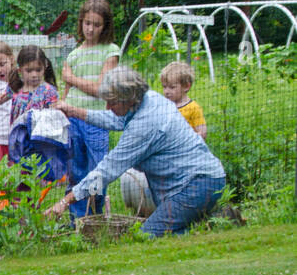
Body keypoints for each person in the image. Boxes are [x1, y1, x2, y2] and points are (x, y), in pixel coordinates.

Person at [50, 67, 226, 236]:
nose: (108, 106)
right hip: (195, 181)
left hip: (197, 184)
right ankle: (210, 221)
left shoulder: (145, 124)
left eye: (113, 102)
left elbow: (107, 170)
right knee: (163, 230)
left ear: (129, 98)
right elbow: (115, 119)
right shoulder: (147, 99)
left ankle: (215, 223)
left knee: (147, 236)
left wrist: (65, 201)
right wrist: (72, 111)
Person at [60, 0, 121, 217]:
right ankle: (77, 219)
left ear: (105, 26)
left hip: (96, 119)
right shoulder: (74, 54)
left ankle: (95, 216)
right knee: (75, 169)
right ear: (81, 22)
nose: (91, 29)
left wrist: (72, 78)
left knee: (97, 170)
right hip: (73, 120)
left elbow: (100, 90)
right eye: (87, 23)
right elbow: (65, 94)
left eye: (96, 25)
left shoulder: (110, 51)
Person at [9, 44, 59, 124]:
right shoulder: (15, 87)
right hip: (18, 134)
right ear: (20, 70)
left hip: (40, 134)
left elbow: (55, 118)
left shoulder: (49, 91)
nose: (34, 75)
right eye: (29, 71)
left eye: (38, 70)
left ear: (45, 67)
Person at [160, 61, 207, 138]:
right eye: (164, 87)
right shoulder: (163, 105)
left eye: (172, 87)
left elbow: (202, 133)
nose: (167, 91)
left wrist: (186, 140)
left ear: (186, 86)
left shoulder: (193, 108)